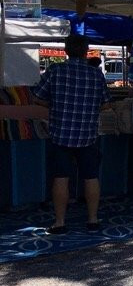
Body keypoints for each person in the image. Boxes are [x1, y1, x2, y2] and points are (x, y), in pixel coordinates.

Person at [32, 35, 111, 234]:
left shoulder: (55, 71)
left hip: (60, 133)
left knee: (61, 178)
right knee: (91, 177)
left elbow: (37, 97)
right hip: (87, 134)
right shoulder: (96, 74)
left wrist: (55, 105)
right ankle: (93, 220)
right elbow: (107, 104)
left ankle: (60, 222)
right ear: (86, 51)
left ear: (66, 51)